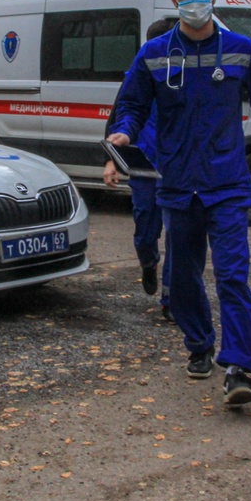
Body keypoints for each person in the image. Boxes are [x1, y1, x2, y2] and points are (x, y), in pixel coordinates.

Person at [107, 0, 251, 407]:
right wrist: (124, 130)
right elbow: (134, 105)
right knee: (180, 280)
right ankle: (200, 343)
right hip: (177, 185)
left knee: (233, 275)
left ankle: (239, 367)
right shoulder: (155, 53)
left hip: (227, 183)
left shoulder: (238, 49)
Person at [103, 18, 177, 322]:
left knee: (179, 234)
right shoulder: (137, 75)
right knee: (146, 229)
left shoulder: (187, 75)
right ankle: (148, 262)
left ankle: (171, 299)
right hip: (143, 161)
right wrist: (111, 159)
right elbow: (118, 116)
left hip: (178, 165)